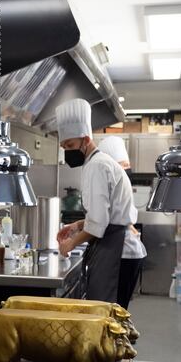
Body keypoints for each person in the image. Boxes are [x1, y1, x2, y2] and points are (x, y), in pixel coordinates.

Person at [56, 98, 136, 303]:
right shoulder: (97, 163)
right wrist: (78, 225)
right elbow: (104, 217)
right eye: (64, 146)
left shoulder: (97, 166)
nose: (68, 150)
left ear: (85, 139)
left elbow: (99, 225)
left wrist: (70, 244)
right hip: (116, 247)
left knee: (107, 318)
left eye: (71, 144)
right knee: (111, 319)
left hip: (116, 250)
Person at [98, 135, 147, 308]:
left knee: (117, 310)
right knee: (119, 309)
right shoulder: (113, 181)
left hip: (124, 253)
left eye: (126, 165)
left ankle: (119, 335)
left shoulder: (116, 180)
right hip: (128, 250)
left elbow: (104, 218)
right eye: (122, 165)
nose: (126, 169)